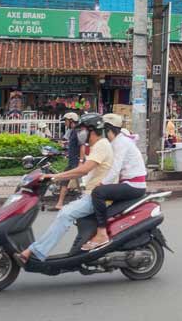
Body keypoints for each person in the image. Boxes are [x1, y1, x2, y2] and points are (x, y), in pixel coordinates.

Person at [14, 113, 114, 264]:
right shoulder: (97, 145)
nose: (79, 133)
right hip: (90, 193)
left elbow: (83, 170)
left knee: (65, 214)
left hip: (95, 196)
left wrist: (55, 177)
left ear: (91, 130)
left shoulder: (102, 145)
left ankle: (36, 251)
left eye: (82, 130)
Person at [83, 114, 147, 251]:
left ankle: (101, 233)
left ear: (108, 129)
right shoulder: (117, 142)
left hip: (133, 185)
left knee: (98, 193)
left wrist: (101, 184)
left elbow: (115, 169)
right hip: (128, 183)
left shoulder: (120, 143)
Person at [55, 111, 81, 210]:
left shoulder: (78, 131)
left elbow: (82, 146)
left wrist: (81, 161)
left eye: (66, 121)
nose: (65, 123)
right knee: (64, 180)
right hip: (72, 161)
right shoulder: (73, 131)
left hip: (76, 162)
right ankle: (59, 203)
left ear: (71, 121)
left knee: (80, 184)